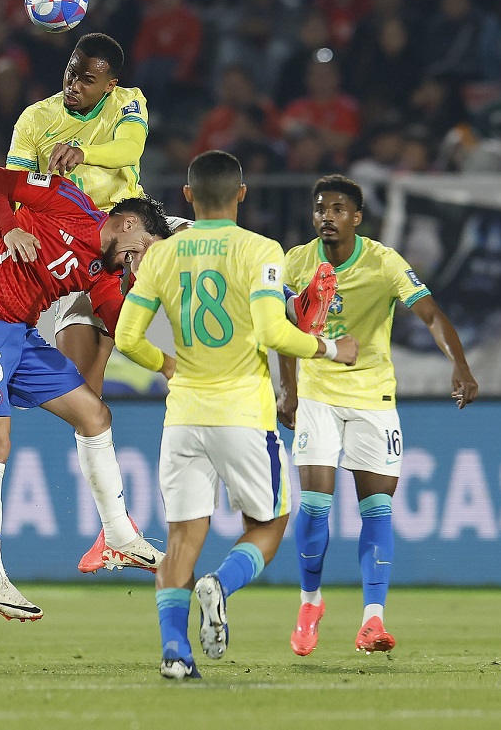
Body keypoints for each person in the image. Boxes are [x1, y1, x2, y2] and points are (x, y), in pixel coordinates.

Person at [112, 150, 353, 680]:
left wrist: (165, 363)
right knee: (269, 523)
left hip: (183, 418)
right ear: (242, 194)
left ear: (188, 196)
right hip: (243, 412)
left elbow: (127, 339)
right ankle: (219, 585)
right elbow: (272, 333)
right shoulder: (261, 250)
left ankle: (175, 653)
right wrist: (331, 350)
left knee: (179, 540)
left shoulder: (160, 256)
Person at [0, 166, 172, 621]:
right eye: (142, 247)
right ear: (127, 223)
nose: (138, 257)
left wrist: (144, 290)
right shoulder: (69, 200)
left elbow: (123, 331)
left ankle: (119, 536)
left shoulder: (104, 273)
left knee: (95, 415)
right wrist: (8, 231)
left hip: (19, 335)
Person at [278, 174, 478, 657]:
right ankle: (310, 603)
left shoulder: (384, 262)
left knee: (378, 510)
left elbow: (430, 314)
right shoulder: (295, 262)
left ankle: (373, 620)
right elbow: (281, 326)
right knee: (316, 505)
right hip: (319, 393)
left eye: (339, 208)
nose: (328, 215)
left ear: (357, 217)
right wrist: (290, 390)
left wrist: (460, 365)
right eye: (321, 207)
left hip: (373, 397)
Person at [5, 32, 185, 396]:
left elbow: (131, 149)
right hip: (79, 248)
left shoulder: (127, 101)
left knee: (214, 241)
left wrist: (82, 151)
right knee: (84, 392)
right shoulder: (35, 119)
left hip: (133, 225)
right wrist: (13, 226)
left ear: (109, 85)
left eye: (87, 80)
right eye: (71, 73)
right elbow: (14, 186)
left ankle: (292, 300)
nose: (74, 85)